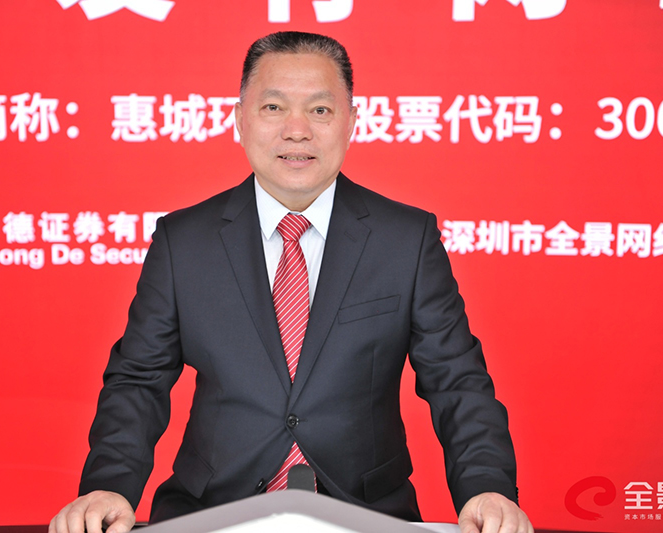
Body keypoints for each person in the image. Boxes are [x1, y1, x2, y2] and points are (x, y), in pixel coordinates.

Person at [50, 31, 533, 533]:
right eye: (274, 107)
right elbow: (139, 381)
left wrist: (487, 487)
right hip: (212, 510)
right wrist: (109, 485)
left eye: (320, 110)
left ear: (352, 122)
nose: (297, 130)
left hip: (365, 514)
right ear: (240, 119)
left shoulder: (406, 240)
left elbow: (456, 380)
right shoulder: (183, 241)